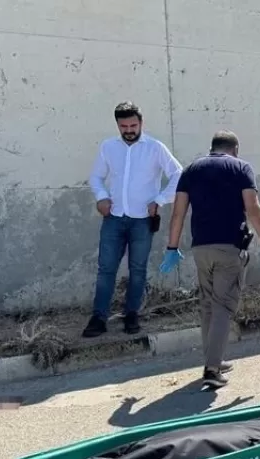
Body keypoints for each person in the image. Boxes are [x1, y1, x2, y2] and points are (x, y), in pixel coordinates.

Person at [160, 131, 260, 390]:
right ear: (235, 148)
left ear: (212, 148)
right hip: (229, 247)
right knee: (224, 307)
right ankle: (212, 370)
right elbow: (253, 209)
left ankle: (213, 358)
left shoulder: (191, 169)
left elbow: (178, 212)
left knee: (208, 305)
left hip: (201, 248)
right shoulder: (241, 168)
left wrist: (172, 247)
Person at [84, 101, 183, 337]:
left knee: (137, 269)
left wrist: (160, 200)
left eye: (133, 125)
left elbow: (179, 174)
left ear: (141, 123)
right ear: (117, 125)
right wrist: (101, 197)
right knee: (106, 269)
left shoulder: (155, 148)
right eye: (124, 126)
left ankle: (132, 315)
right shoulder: (108, 147)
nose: (129, 130)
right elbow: (96, 177)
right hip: (114, 218)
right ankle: (99, 318)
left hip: (142, 220)